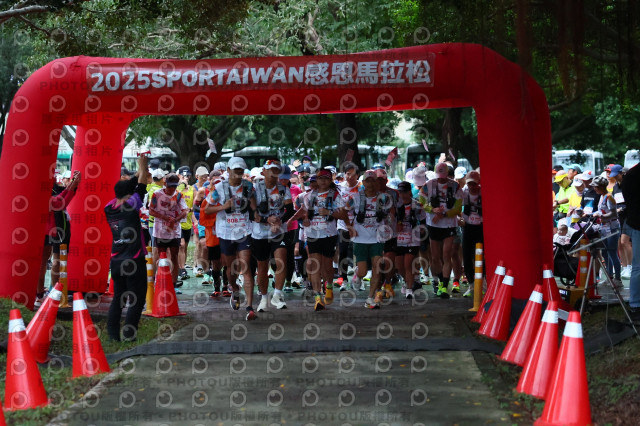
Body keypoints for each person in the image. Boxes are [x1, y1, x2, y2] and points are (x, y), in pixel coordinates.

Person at [205, 157, 258, 320]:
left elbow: (253, 203)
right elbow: (207, 209)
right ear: (228, 171)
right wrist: (224, 206)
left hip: (245, 231)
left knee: (245, 267)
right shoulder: (219, 187)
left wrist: (256, 213)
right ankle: (234, 288)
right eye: (235, 171)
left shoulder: (248, 186)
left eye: (241, 171)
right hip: (226, 232)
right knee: (231, 268)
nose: (238, 174)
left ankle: (250, 307)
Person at [105, 155, 150, 341]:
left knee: (119, 298)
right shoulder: (132, 205)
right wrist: (143, 166)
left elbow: (133, 185)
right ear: (129, 194)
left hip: (116, 260)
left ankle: (112, 335)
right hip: (134, 259)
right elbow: (141, 186)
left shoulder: (109, 207)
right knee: (137, 299)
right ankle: (129, 335)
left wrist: (139, 173)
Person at [251, 158, 294, 312]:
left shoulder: (283, 188)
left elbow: (290, 209)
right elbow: (251, 213)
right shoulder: (255, 189)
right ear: (264, 171)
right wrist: (267, 220)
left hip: (278, 232)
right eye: (271, 170)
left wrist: (279, 221)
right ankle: (263, 297)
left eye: (277, 170)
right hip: (260, 233)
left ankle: (277, 294)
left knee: (281, 259)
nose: (274, 173)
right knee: (262, 267)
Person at [302, 169, 347, 310]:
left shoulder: (335, 195)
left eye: (326, 178)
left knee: (327, 265)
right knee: (315, 264)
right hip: (312, 234)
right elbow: (304, 214)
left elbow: (343, 215)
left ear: (330, 180)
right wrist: (305, 221)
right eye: (320, 178)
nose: (323, 181)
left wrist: (329, 212)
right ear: (316, 180)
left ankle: (329, 286)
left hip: (329, 234)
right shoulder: (309, 196)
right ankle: (318, 298)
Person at [36, 170, 81, 308]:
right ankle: (44, 294)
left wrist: (72, 184)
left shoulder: (51, 186)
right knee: (49, 261)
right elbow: (58, 203)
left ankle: (47, 293)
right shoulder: (41, 188)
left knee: (51, 261)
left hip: (54, 227)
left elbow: (60, 200)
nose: (55, 177)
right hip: (50, 228)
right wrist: (73, 185)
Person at [418, 162, 463, 298]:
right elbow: (421, 202)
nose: (441, 180)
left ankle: (444, 285)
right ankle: (437, 280)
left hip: (449, 225)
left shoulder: (455, 186)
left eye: (443, 177)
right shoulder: (428, 185)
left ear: (447, 174)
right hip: (433, 225)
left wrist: (444, 214)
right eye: (439, 177)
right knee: (435, 256)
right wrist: (433, 209)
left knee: (446, 254)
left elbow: (458, 208)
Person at [348, 170, 391, 309]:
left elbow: (389, 214)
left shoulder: (384, 198)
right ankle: (357, 274)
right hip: (360, 238)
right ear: (363, 182)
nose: (371, 184)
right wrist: (349, 227)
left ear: (377, 182)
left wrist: (389, 226)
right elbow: (344, 212)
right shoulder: (355, 197)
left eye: (373, 181)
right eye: (368, 181)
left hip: (377, 238)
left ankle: (370, 298)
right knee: (363, 272)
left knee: (377, 268)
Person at [149, 173, 188, 286]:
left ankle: (173, 282)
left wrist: (176, 219)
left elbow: (185, 211)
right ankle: (159, 279)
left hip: (174, 231)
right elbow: (151, 211)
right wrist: (164, 217)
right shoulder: (157, 194)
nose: (172, 189)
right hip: (160, 230)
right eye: (170, 186)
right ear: (165, 183)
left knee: (174, 255)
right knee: (161, 255)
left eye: (174, 186)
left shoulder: (179, 195)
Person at [395, 181, 426, 299]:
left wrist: (422, 229)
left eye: (405, 192)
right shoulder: (395, 206)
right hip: (398, 239)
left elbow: (423, 220)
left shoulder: (417, 205)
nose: (402, 195)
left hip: (412, 239)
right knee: (400, 267)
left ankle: (409, 289)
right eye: (400, 192)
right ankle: (407, 281)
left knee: (408, 264)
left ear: (410, 192)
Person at [591, 176, 621, 284]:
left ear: (600, 187)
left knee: (612, 252)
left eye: (595, 187)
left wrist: (601, 216)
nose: (594, 189)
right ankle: (609, 276)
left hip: (612, 228)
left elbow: (614, 213)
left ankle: (618, 278)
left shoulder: (609, 197)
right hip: (604, 227)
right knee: (605, 252)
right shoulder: (601, 196)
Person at [337, 161, 361, 291]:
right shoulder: (339, 187)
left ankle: (358, 277)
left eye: (352, 174)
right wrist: (348, 226)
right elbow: (341, 209)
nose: (350, 177)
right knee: (343, 251)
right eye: (347, 174)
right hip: (343, 225)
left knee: (358, 252)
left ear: (357, 175)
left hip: (359, 225)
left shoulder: (362, 188)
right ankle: (344, 279)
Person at [620, 164, 640, 320]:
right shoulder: (633, 175)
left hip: (635, 222)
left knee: (638, 266)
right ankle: (635, 303)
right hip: (637, 223)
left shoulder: (631, 175)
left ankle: (635, 303)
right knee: (638, 267)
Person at [459, 170, 483, 297]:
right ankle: (471, 284)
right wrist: (459, 218)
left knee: (480, 255)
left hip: (480, 226)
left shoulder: (484, 192)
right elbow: (456, 207)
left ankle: (482, 282)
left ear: (478, 182)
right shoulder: (464, 192)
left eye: (474, 184)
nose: (472, 187)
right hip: (467, 226)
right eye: (469, 184)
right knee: (466, 255)